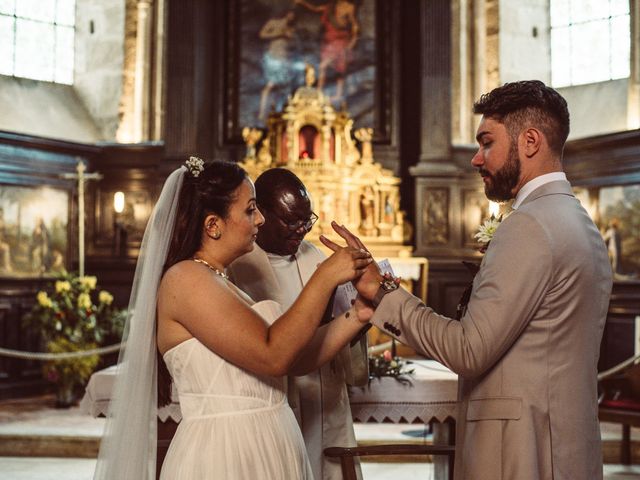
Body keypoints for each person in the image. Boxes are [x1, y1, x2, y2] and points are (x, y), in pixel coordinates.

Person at [324, 80, 613, 479]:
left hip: (519, 453)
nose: (477, 159)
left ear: (529, 141)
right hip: (565, 446)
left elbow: (468, 350)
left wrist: (384, 292)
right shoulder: (580, 223)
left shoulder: (528, 227)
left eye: (487, 143)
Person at [93, 158, 373, 479]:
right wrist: (325, 277)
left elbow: (294, 359)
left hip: (264, 446)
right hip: (226, 454)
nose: (260, 220)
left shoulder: (219, 281)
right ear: (214, 225)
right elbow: (274, 355)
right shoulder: (185, 279)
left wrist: (359, 313)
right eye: (250, 209)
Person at [228, 168, 368, 480]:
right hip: (275, 398)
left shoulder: (315, 255)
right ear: (260, 214)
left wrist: (364, 307)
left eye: (307, 219)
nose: (302, 229)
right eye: (291, 221)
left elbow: (347, 322)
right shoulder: (238, 266)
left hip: (325, 395)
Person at [295, 0, 359, 103]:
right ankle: (321, 92)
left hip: (340, 41)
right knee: (330, 68)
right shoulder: (330, 6)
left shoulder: (349, 6)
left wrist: (354, 38)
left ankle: (335, 94)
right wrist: (302, 3)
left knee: (330, 67)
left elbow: (353, 23)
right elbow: (315, 9)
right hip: (328, 42)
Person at [258, 10, 296, 120]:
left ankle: (278, 114)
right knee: (269, 86)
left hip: (284, 59)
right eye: (290, 14)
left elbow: (291, 43)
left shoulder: (291, 28)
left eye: (293, 16)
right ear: (287, 13)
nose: (291, 17)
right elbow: (262, 34)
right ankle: (262, 113)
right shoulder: (274, 23)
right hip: (273, 57)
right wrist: (279, 34)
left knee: (283, 88)